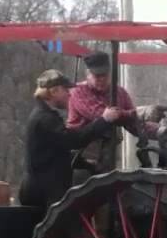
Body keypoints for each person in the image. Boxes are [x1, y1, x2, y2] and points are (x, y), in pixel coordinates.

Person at [19, 69, 121, 211]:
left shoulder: (45, 116)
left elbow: (53, 151)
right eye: (65, 89)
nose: (69, 93)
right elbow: (73, 140)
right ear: (53, 91)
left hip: (43, 188)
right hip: (46, 192)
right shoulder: (45, 119)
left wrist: (84, 163)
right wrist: (104, 120)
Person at [66, 51, 162, 173]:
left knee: (110, 188)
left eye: (104, 75)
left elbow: (132, 122)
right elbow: (102, 114)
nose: (101, 79)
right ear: (88, 74)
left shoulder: (119, 93)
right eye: (97, 75)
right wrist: (139, 112)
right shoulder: (78, 92)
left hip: (107, 155)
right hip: (81, 156)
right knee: (84, 189)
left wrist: (159, 131)